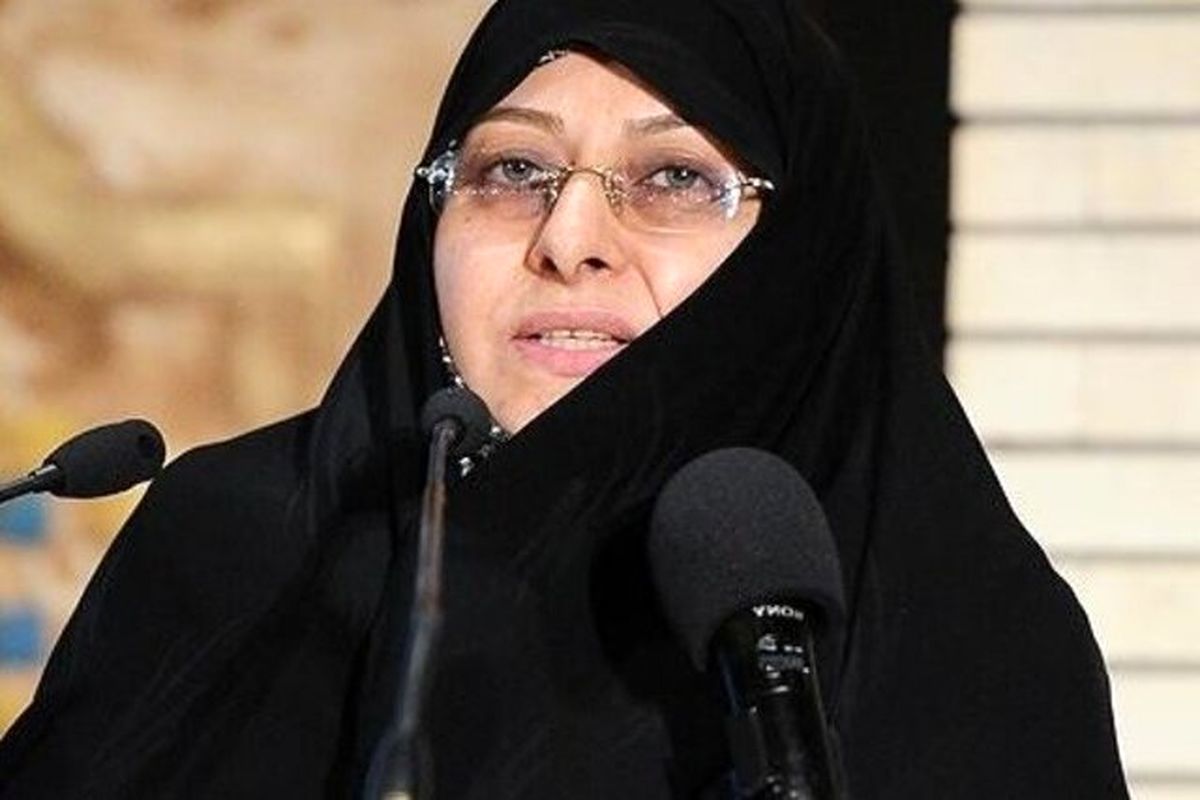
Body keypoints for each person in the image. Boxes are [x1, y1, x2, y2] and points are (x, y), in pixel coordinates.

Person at [0, 0, 1127, 797]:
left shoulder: (958, 636)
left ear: (799, 253)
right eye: (514, 172)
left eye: (674, 177)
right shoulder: (235, 553)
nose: (569, 237)